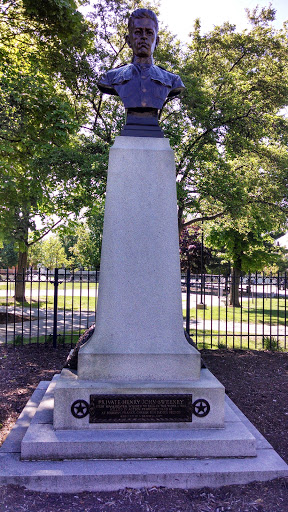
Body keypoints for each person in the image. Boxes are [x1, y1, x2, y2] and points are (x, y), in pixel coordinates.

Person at [97, 8, 185, 137]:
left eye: (149, 33)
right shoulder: (110, 78)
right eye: (138, 32)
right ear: (128, 40)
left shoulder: (173, 80)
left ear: (157, 41)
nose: (144, 37)